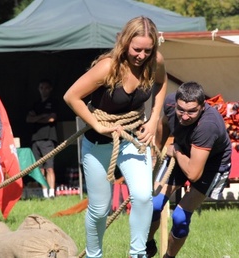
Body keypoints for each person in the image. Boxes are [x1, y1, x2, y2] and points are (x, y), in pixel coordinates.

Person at [64, 16, 167, 258]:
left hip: (133, 138)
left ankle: (138, 254)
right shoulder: (108, 67)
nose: (141, 55)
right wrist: (97, 125)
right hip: (99, 142)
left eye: (147, 50)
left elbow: (162, 85)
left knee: (143, 197)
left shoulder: (155, 63)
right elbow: (71, 97)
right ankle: (94, 255)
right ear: (124, 42)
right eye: (136, 49)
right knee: (100, 210)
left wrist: (153, 120)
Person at [146, 81, 232, 258]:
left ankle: (169, 256)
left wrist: (175, 151)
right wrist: (156, 154)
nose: (185, 116)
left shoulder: (208, 125)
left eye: (192, 111)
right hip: (183, 151)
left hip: (211, 166)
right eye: (181, 110)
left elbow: (194, 173)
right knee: (153, 205)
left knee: (180, 217)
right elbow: (164, 124)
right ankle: (146, 248)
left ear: (202, 107)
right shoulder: (170, 103)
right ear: (176, 103)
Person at [26, 79, 58, 198]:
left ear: (50, 89)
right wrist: (43, 116)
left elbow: (52, 119)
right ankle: (44, 194)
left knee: (49, 167)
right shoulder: (36, 103)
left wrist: (37, 118)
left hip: (48, 138)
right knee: (39, 169)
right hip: (35, 139)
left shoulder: (53, 102)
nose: (43, 90)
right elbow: (28, 119)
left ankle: (51, 193)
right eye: (41, 88)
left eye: (45, 88)